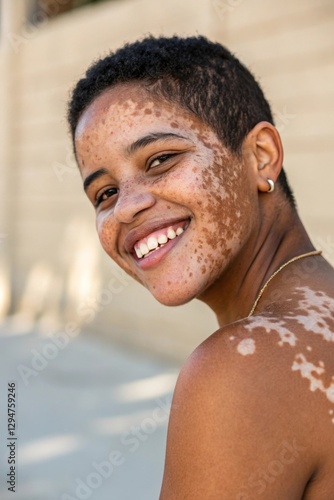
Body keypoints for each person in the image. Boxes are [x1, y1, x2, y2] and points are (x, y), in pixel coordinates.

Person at [67, 36, 334, 499]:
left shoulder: (241, 368)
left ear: (261, 156)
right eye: (104, 194)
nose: (126, 208)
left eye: (160, 159)